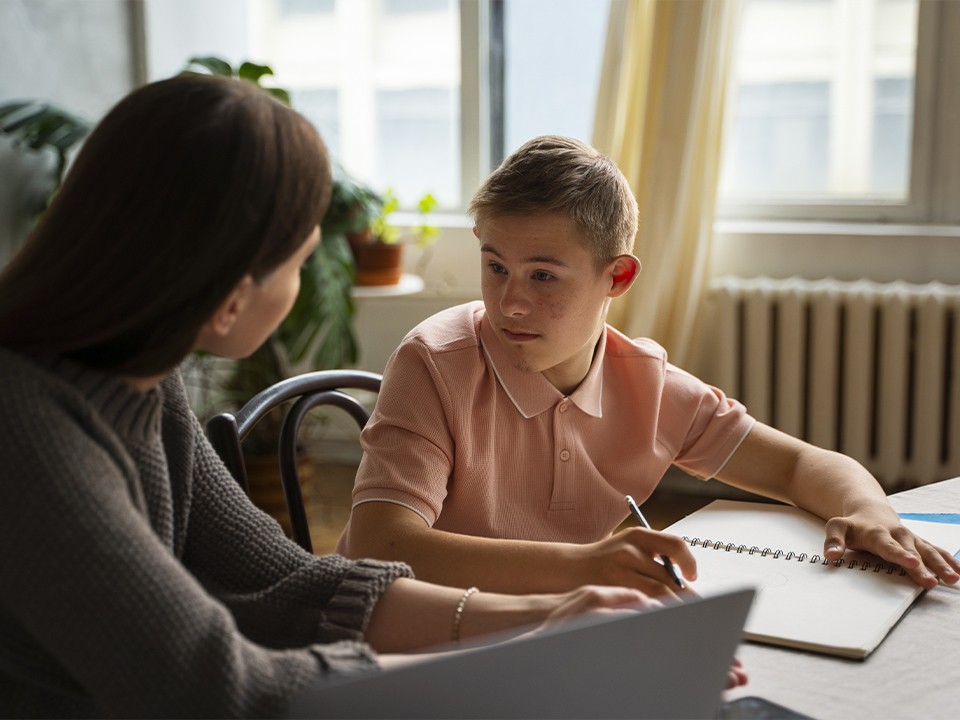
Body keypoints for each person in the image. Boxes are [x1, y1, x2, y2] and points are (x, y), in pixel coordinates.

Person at [0, 80, 663, 718]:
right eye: (300, 262)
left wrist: (551, 618)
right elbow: (220, 688)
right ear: (231, 299)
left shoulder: (143, 379)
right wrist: (508, 661)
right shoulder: (24, 431)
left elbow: (282, 583)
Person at [338, 134, 960, 601]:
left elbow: (799, 463)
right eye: (495, 265)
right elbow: (379, 545)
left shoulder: (646, 384)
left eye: (543, 275)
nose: (510, 302)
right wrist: (584, 568)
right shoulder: (434, 363)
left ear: (619, 277)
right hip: (411, 630)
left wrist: (870, 508)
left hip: (555, 623)